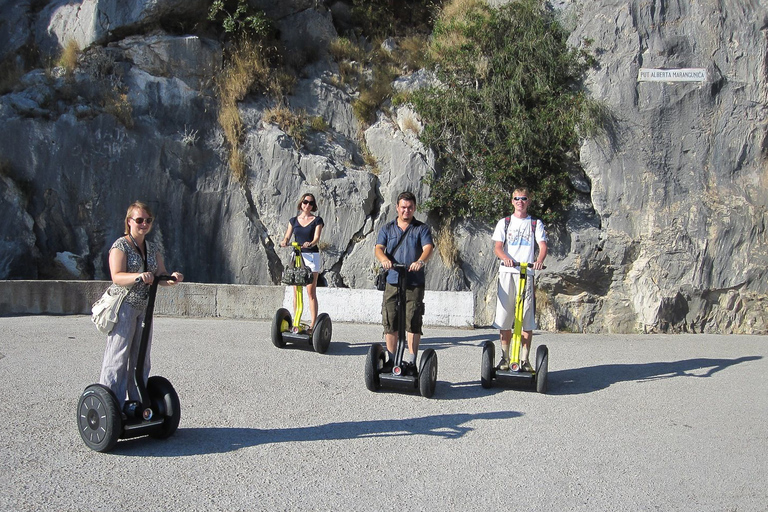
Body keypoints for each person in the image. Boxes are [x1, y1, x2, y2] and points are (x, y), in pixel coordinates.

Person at [99, 201, 183, 412]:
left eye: (147, 220)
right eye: (139, 220)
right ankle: (112, 408)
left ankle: (138, 403)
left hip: (145, 308)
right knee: (118, 356)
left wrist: (172, 278)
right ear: (129, 221)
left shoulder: (153, 248)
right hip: (124, 307)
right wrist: (138, 276)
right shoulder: (121, 246)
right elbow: (116, 276)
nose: (143, 224)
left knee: (141, 358)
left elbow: (160, 276)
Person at [375, 191, 434, 375]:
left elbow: (428, 248)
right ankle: (392, 360)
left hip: (413, 282)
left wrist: (420, 262)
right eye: (403, 207)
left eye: (409, 207)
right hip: (392, 280)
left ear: (414, 208)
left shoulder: (421, 229)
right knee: (390, 320)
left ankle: (412, 362)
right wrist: (384, 259)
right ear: (397, 208)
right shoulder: (387, 228)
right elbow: (378, 248)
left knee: (413, 321)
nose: (406, 211)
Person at [491, 187, 548, 371]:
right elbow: (498, 247)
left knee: (526, 318)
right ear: (512, 201)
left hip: (527, 273)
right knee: (505, 316)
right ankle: (505, 358)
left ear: (528, 201)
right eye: (517, 198)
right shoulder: (504, 223)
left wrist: (538, 261)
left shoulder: (535, 224)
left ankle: (525, 360)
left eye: (523, 198)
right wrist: (505, 258)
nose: (520, 201)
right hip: (508, 273)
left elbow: (542, 245)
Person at [279, 193, 325, 332]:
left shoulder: (317, 220)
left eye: (311, 203)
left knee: (310, 291)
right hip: (297, 256)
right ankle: (296, 322)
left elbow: (317, 237)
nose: (308, 205)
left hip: (311, 256)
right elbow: (287, 235)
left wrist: (310, 243)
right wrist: (284, 242)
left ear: (313, 206)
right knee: (297, 291)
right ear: (301, 203)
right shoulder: (293, 220)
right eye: (305, 202)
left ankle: (313, 325)